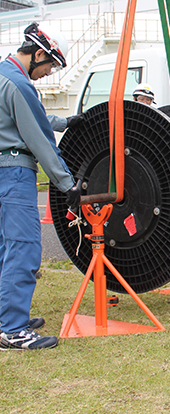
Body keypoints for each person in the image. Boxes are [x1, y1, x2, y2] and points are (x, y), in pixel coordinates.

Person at [0, 22, 81, 350]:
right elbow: (39, 139)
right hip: (14, 174)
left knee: (5, 249)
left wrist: (64, 122)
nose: (49, 73)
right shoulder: (19, 84)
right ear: (38, 54)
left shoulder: (3, 75)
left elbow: (20, 119)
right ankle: (14, 330)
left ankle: (6, 317)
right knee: (24, 248)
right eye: (51, 65)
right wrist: (68, 184)